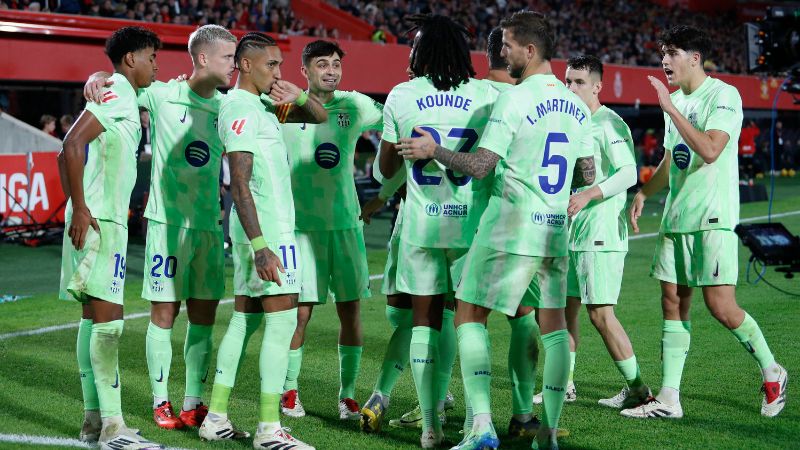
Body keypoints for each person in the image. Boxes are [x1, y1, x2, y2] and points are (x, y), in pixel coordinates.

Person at [397, 11, 595, 450]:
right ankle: (547, 433)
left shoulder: (515, 99)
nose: (501, 53)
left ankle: (482, 427)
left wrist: (435, 149)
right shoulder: (577, 104)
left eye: (506, 45)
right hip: (554, 231)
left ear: (529, 50)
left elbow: (480, 166)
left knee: (468, 315)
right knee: (555, 327)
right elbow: (586, 173)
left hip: (511, 228)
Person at [625, 25, 787, 419]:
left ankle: (773, 371)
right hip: (677, 216)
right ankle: (669, 398)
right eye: (663, 52)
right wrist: (645, 192)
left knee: (721, 305)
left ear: (695, 58)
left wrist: (671, 108)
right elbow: (670, 159)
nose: (664, 60)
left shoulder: (724, 95)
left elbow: (711, 149)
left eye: (673, 52)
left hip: (712, 218)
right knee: (672, 302)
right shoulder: (675, 101)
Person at [83, 24, 238, 431]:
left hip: (208, 225)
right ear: (202, 57)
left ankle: (193, 403)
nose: (234, 65)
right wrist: (96, 77)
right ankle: (160, 401)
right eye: (228, 57)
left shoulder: (228, 106)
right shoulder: (161, 93)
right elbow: (120, 82)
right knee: (164, 313)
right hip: (166, 225)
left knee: (203, 316)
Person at [198, 32, 327, 449]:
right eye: (271, 65)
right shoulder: (239, 106)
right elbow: (238, 181)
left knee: (245, 317)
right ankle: (270, 428)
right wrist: (260, 246)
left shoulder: (262, 105)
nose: (278, 72)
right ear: (246, 65)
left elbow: (320, 115)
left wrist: (299, 97)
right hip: (266, 231)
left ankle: (216, 416)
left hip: (268, 228)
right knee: (282, 318)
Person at [377, 14, 499, 448]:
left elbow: (384, 170)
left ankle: (430, 426)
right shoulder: (486, 93)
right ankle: (479, 420)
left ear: (420, 52)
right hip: (472, 227)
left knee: (425, 323)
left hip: (423, 228)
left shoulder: (403, 94)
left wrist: (401, 148)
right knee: (468, 323)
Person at [58, 26, 162, 450]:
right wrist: (82, 207)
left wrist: (78, 206)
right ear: (131, 59)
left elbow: (66, 151)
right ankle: (113, 428)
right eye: (152, 57)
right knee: (109, 323)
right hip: (100, 221)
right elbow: (70, 144)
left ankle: (92, 420)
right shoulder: (118, 88)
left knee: (92, 319)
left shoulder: (119, 91)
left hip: (97, 217)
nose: (157, 65)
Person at [531, 54, 651, 410]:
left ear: (598, 86)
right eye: (567, 81)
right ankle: (565, 385)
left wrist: (589, 193)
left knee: (600, 313)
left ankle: (641, 392)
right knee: (564, 310)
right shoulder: (571, 123)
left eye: (579, 82)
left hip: (599, 233)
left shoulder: (608, 122)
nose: (571, 88)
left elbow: (629, 173)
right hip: (572, 233)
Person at [278, 40, 383, 421]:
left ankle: (348, 396)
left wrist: (386, 190)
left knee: (350, 311)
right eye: (322, 64)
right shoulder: (285, 104)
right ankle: (289, 391)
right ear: (304, 70)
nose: (331, 71)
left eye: (336, 64)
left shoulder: (355, 105)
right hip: (301, 228)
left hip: (345, 224)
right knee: (299, 314)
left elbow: (398, 120)